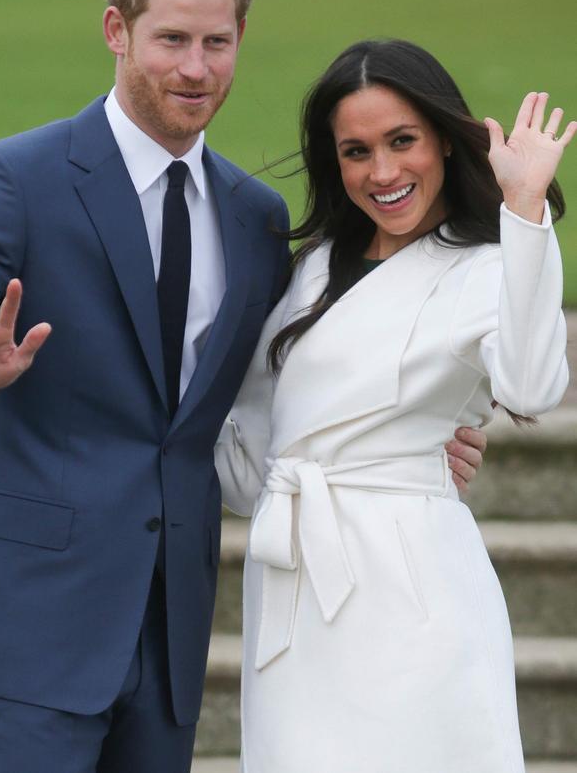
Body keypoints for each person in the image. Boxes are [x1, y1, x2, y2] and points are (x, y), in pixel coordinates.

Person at [0, 0, 485, 772]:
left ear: (240, 39)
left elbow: (277, 388)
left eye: (216, 42)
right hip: (36, 620)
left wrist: (399, 434)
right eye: (172, 39)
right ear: (117, 32)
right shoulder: (13, 179)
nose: (196, 67)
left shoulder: (255, 218)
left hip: (173, 625)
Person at [216, 39, 573, 773]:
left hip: (412, 588)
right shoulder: (312, 268)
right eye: (356, 151)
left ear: (444, 137)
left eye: (401, 141)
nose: (382, 172)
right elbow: (250, 448)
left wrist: (526, 210)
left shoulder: (492, 262)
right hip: (293, 578)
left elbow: (536, 386)